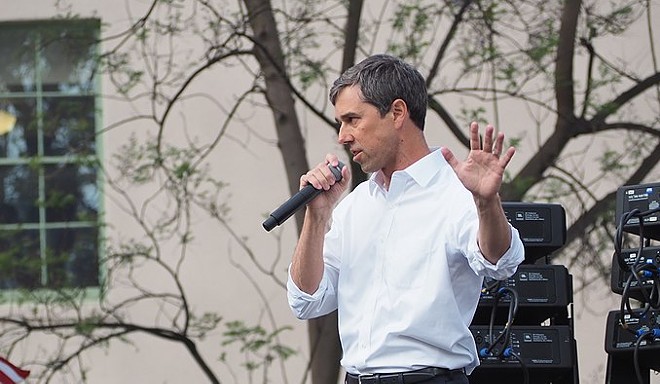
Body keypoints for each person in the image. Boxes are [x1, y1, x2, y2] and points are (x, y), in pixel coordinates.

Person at [286, 54, 525, 384]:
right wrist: (317, 215)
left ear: (397, 113)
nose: (342, 136)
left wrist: (486, 203)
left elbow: (500, 262)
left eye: (353, 119)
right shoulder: (354, 207)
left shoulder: (455, 192)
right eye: (340, 123)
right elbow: (306, 301)